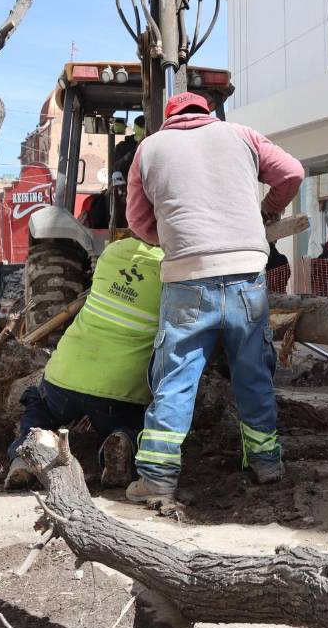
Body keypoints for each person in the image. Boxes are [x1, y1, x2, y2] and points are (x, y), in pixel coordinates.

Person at [126, 92, 304, 501]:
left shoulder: (148, 149)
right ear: (208, 112)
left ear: (169, 118)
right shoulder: (241, 135)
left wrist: (174, 239)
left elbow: (137, 219)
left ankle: (156, 478)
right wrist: (268, 212)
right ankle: (266, 464)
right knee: (253, 373)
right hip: (246, 279)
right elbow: (291, 173)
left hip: (186, 282)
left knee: (176, 378)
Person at [5, 235, 164, 490]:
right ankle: (122, 439)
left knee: (39, 403)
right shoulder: (170, 269)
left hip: (64, 377)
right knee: (136, 421)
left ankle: (26, 452)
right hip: (120, 391)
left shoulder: (112, 253)